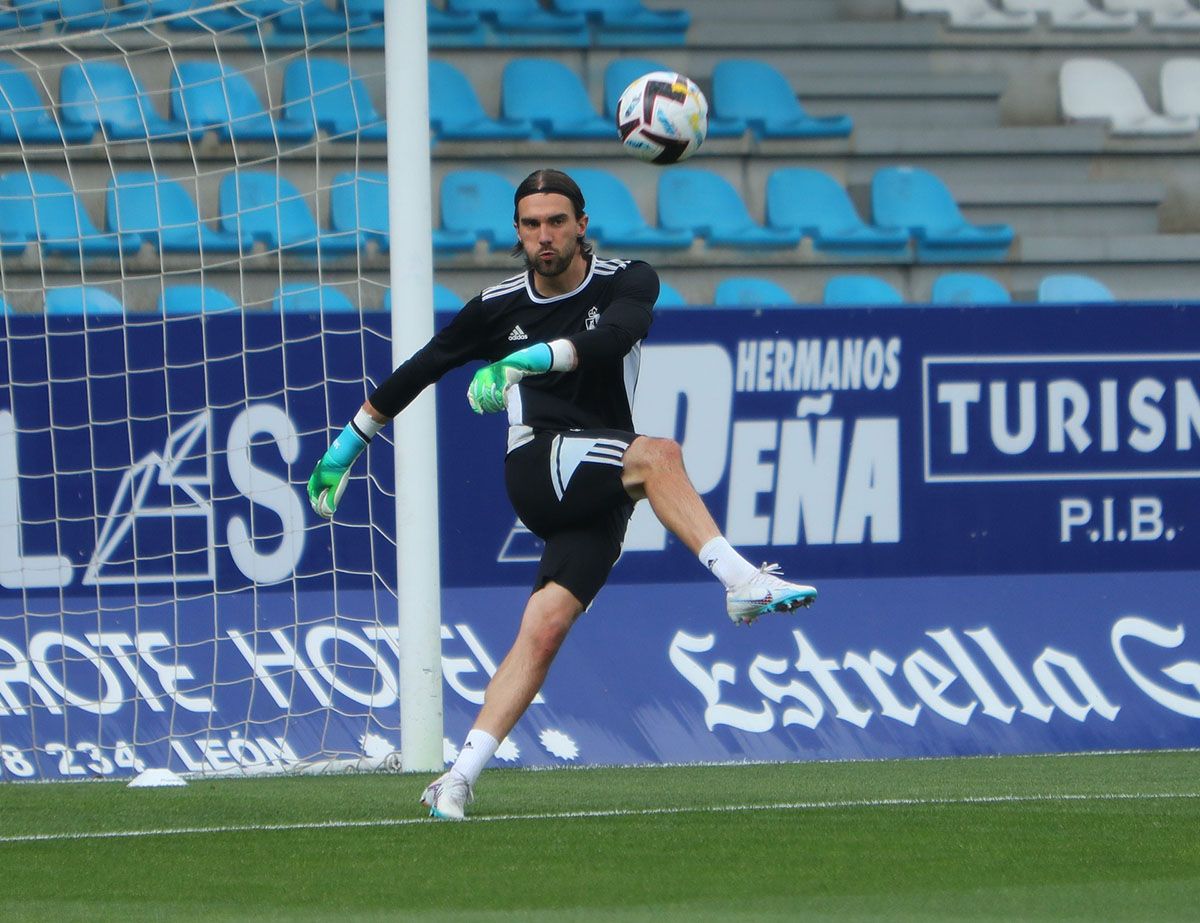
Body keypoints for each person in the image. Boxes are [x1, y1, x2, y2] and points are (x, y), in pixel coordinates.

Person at [306, 168, 817, 821]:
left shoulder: (628, 279)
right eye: (530, 224)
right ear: (517, 232)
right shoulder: (497, 307)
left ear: (581, 225)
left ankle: (456, 779)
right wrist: (346, 447)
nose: (543, 236)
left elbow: (614, 339)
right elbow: (422, 368)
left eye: (555, 221)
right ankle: (742, 580)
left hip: (602, 477)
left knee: (545, 629)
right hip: (539, 461)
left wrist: (523, 361)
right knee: (660, 455)